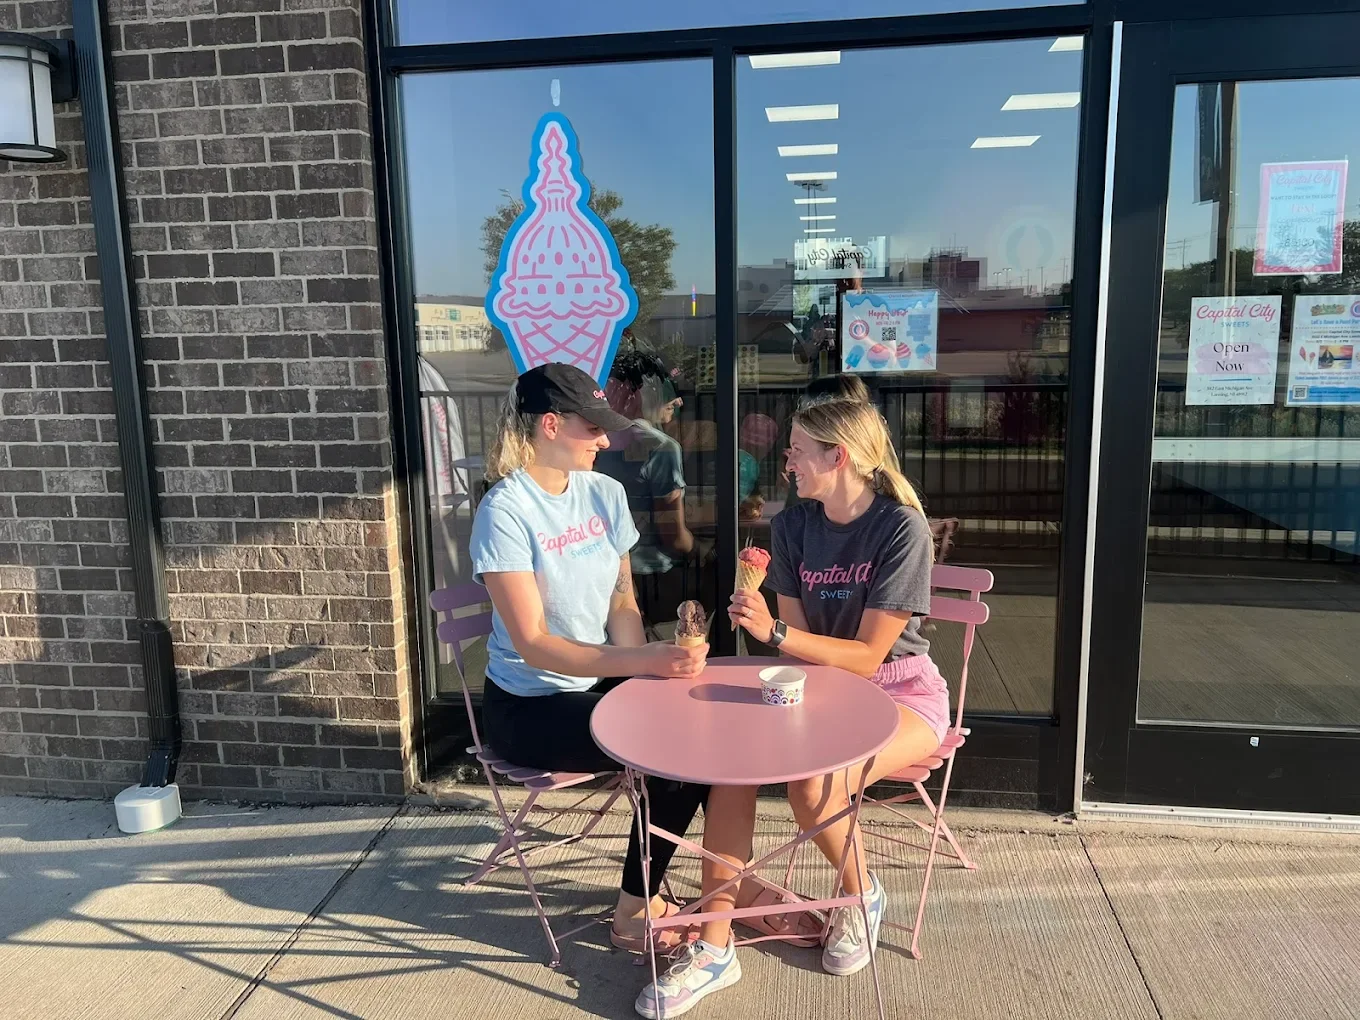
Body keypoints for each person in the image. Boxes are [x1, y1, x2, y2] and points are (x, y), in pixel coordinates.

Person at [636, 398, 944, 1018]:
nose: (787, 463)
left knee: (812, 785)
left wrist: (775, 634)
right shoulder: (795, 526)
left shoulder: (899, 528)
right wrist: (764, 625)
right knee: (730, 768)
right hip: (819, 688)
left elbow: (866, 654)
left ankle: (860, 898)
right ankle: (715, 949)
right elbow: (805, 650)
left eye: (798, 451)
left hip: (901, 690)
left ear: (840, 456)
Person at [469, 363, 710, 953]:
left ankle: (701, 893)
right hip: (528, 705)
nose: (606, 440)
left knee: (700, 734)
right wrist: (642, 665)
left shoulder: (606, 493)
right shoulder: (505, 512)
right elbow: (533, 644)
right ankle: (634, 914)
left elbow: (622, 599)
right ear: (550, 426)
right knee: (676, 759)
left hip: (595, 686)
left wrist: (643, 675)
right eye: (593, 428)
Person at [597, 351, 696, 639]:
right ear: (645, 393)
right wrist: (704, 549)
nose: (677, 401)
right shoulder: (662, 448)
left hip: (603, 571)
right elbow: (673, 536)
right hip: (651, 573)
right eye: (668, 388)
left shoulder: (594, 440)